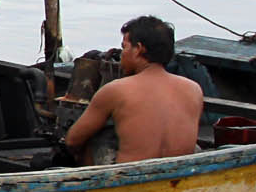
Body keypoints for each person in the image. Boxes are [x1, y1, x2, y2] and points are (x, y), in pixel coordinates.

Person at [65, 15, 202, 164]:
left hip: (131, 175)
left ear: (138, 49)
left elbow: (73, 140)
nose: (122, 54)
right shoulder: (193, 89)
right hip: (180, 173)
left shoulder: (115, 90)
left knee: (96, 139)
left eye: (124, 47)